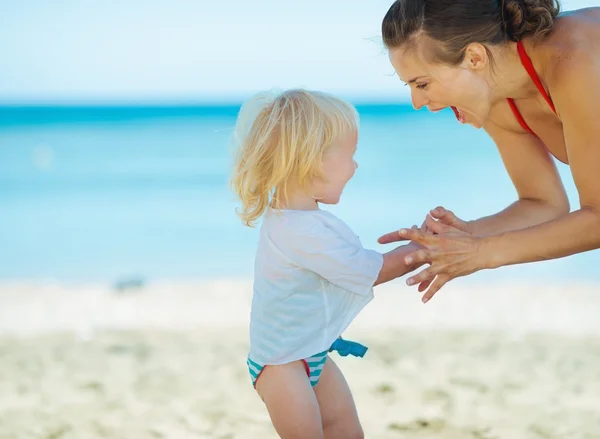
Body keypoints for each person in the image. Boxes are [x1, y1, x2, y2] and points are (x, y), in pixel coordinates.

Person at [377, 0, 600, 303]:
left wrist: (483, 253)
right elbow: (544, 204)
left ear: (474, 57)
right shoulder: (496, 92)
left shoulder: (574, 59)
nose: (417, 102)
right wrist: (464, 237)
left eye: (422, 83)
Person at [229, 88, 420, 439]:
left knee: (346, 432)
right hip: (282, 365)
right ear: (315, 160)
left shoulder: (299, 217)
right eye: (351, 154)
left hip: (310, 352)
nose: (356, 165)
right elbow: (367, 270)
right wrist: (421, 251)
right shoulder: (299, 230)